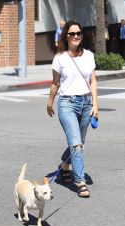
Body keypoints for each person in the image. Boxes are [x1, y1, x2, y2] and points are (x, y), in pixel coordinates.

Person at [47, 20, 98, 198]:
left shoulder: (89, 56)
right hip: (67, 104)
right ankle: (81, 182)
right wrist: (50, 102)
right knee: (76, 143)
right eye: (72, 34)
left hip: (85, 104)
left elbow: (93, 81)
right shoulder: (59, 58)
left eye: (78, 33)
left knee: (78, 143)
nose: (76, 36)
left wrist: (95, 105)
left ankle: (64, 166)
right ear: (66, 37)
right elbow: (55, 83)